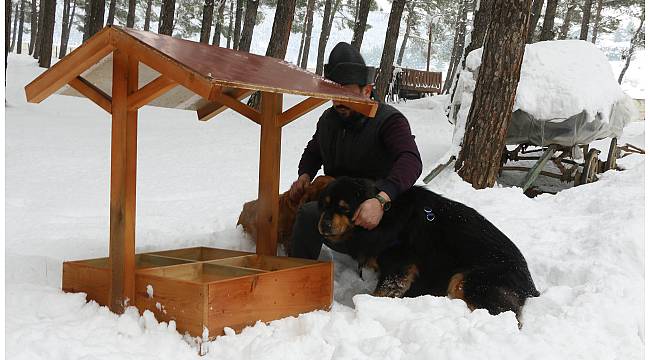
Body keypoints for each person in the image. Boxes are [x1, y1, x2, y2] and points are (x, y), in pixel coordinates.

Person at [289, 42, 423, 260]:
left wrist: (381, 200)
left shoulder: (389, 121)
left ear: (366, 90)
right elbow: (314, 150)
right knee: (304, 212)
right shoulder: (329, 119)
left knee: (309, 215)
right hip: (339, 207)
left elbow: (411, 160)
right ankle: (298, 277)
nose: (340, 103)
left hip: (377, 212)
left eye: (347, 95)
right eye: (335, 95)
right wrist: (304, 175)